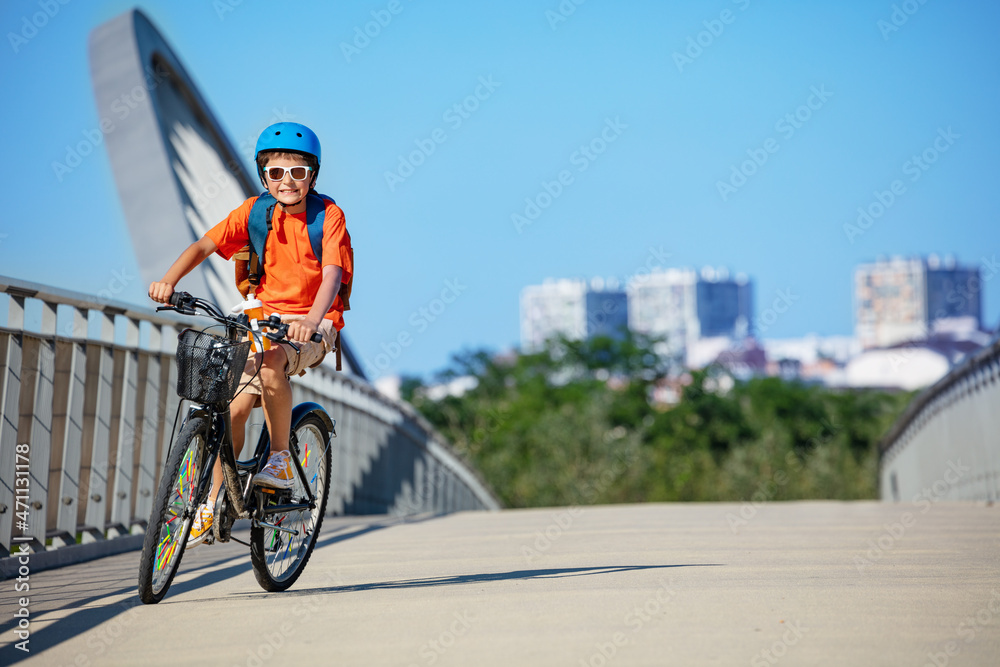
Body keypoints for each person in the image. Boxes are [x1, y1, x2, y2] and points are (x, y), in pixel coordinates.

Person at [148, 122, 352, 548]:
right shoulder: (256, 211)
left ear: (312, 175)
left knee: (274, 361)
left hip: (313, 323)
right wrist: (168, 281)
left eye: (298, 172)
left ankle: (279, 459)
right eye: (276, 173)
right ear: (264, 177)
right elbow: (206, 245)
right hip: (263, 316)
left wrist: (313, 322)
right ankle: (212, 500)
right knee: (234, 407)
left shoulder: (327, 215)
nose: (287, 182)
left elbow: (332, 273)